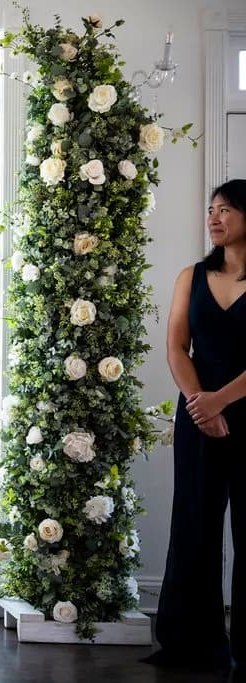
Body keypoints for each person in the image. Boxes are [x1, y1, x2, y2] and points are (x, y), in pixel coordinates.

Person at [144, 178, 246, 674]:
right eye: (211, 209)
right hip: (199, 418)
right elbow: (174, 347)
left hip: (239, 413)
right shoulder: (192, 276)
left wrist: (221, 400)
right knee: (194, 525)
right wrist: (200, 404)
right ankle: (192, 640)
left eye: (225, 209)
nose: (214, 218)